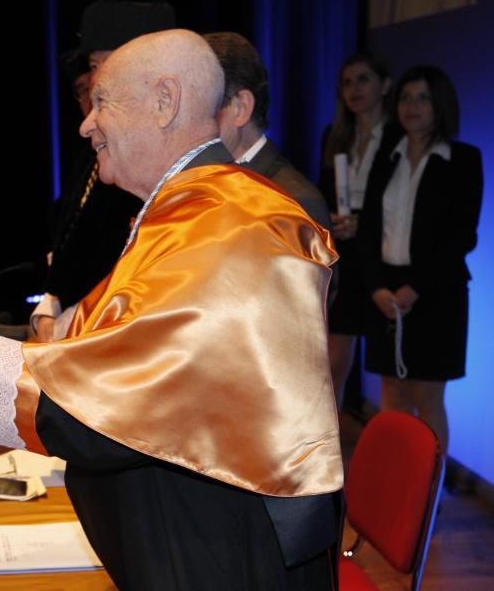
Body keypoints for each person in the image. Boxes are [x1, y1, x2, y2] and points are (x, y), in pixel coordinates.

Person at [0, 30, 343, 590]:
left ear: (165, 101)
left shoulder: (229, 221)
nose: (85, 123)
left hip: (222, 543)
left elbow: (114, 397)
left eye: (102, 101)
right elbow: (88, 345)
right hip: (196, 525)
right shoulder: (192, 208)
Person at [32, 0, 174, 341]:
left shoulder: (166, 165)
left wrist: (60, 327)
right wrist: (48, 310)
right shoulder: (101, 152)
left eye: (98, 65)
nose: (93, 80)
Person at [357, 65, 483, 455]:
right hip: (385, 289)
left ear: (440, 104)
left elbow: (461, 237)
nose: (412, 106)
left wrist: (415, 289)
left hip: (435, 292)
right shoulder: (386, 158)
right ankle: (398, 494)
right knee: (392, 394)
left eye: (423, 98)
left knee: (427, 397)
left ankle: (427, 500)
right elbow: (369, 230)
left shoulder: (462, 159)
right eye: (406, 98)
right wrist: (376, 286)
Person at [319, 52, 401, 407]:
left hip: (385, 255)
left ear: (385, 86)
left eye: (363, 79)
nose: (354, 89)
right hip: (344, 254)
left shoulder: (401, 135)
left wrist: (364, 223)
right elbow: (322, 192)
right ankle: (328, 449)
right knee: (334, 362)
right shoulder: (335, 135)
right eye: (348, 82)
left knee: (391, 373)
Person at [205, 32, 331, 229]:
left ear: (241, 108)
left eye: (203, 107)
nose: (188, 122)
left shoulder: (295, 202)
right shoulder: (198, 185)